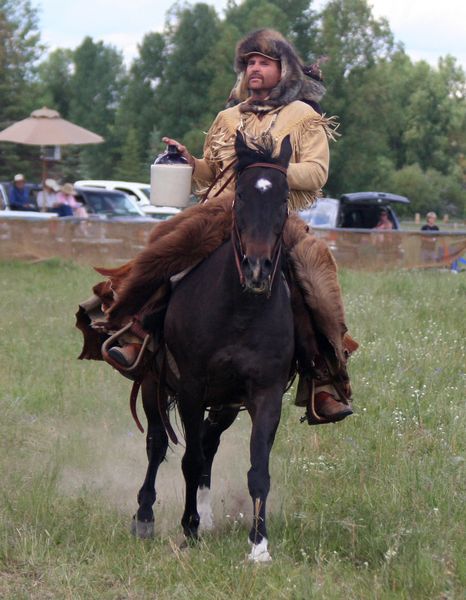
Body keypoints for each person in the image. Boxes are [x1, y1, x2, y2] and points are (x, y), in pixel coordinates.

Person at [86, 29, 357, 424]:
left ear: (283, 70)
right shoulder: (228, 118)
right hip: (219, 212)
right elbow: (210, 173)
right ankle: (134, 331)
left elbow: (316, 173)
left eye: (264, 62)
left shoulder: (304, 117)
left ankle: (325, 377)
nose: (255, 69)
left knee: (316, 280)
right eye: (249, 62)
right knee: (166, 246)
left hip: (275, 215)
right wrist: (190, 162)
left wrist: (272, 170)